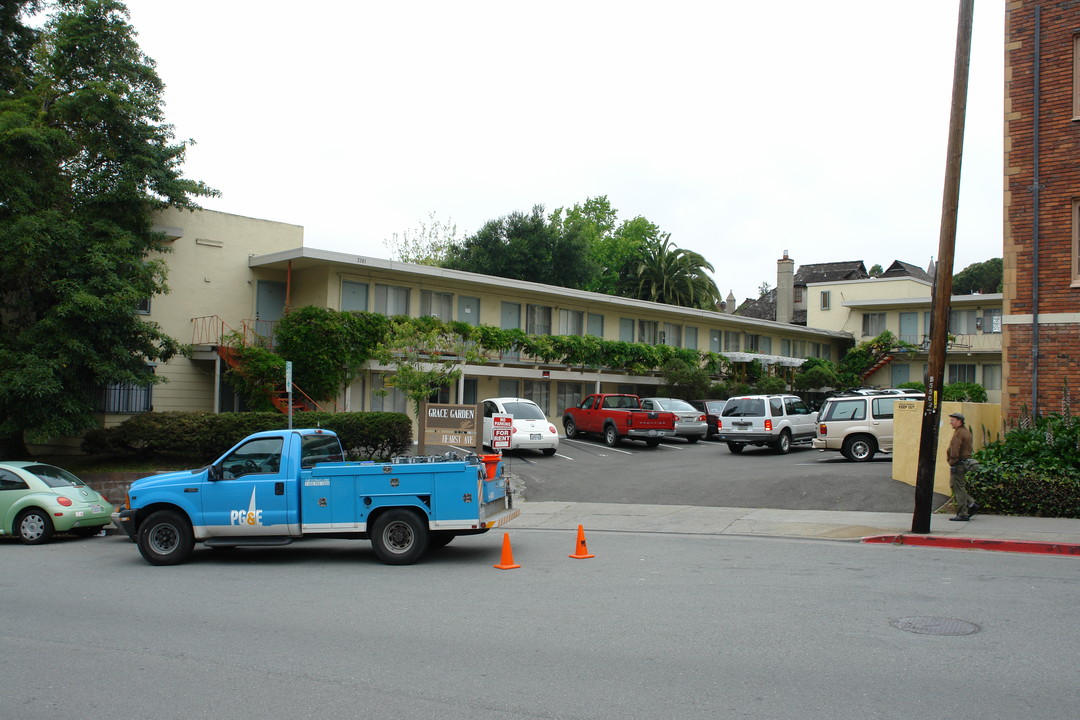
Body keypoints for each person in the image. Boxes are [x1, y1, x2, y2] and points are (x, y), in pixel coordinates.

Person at [946, 412, 977, 521]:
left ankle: (963, 513)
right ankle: (971, 503)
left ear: (959, 421)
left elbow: (955, 449)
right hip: (963, 462)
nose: (951, 422)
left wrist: (952, 461)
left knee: (958, 488)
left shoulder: (959, 433)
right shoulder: (966, 432)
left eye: (953, 420)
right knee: (957, 486)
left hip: (958, 463)